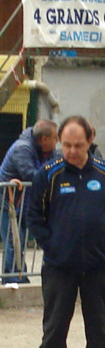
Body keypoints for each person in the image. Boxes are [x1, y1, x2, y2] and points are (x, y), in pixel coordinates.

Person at [27, 115, 105, 348]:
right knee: (55, 326)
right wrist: (53, 246)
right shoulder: (48, 173)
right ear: (59, 142)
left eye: (78, 145)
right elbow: (35, 218)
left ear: (90, 141)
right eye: (66, 145)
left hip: (97, 265)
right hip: (60, 266)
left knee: (98, 325)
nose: (71, 151)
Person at [0, 119, 58, 284]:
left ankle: (16, 276)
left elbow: (51, 169)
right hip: (8, 203)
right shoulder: (22, 149)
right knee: (13, 241)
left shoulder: (47, 151)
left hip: (25, 203)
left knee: (20, 240)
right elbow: (32, 175)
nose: (58, 142)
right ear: (45, 139)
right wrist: (56, 178)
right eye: (55, 138)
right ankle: (14, 279)